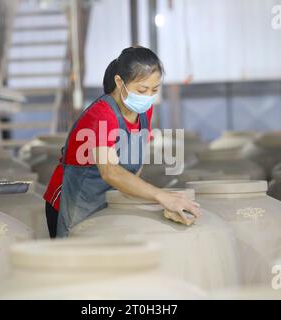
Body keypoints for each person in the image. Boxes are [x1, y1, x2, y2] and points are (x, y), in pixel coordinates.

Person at [44, 46, 201, 238]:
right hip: (72, 201)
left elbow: (136, 162)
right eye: (142, 89)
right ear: (119, 82)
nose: (148, 96)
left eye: (154, 90)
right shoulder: (102, 115)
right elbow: (110, 171)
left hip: (107, 200)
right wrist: (160, 196)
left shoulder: (144, 111)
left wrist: (150, 201)